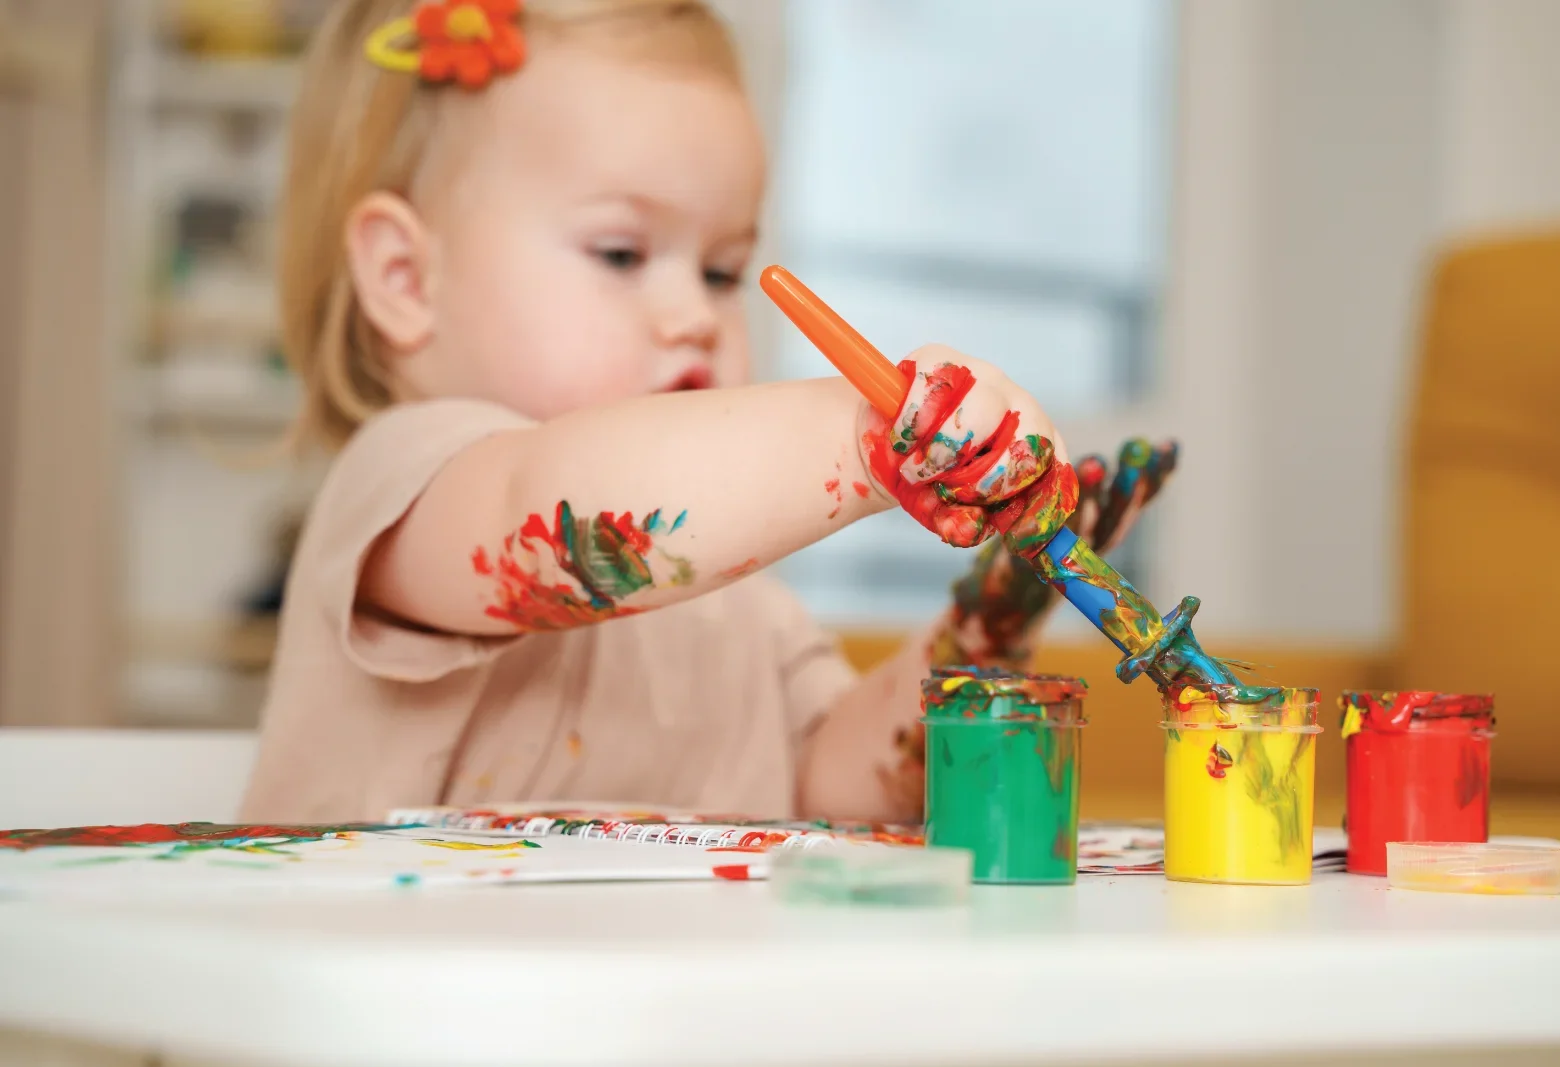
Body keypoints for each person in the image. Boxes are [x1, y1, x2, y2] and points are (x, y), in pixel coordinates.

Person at [239, 0, 1173, 824]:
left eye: (723, 270)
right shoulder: (408, 486)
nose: (696, 313)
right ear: (406, 279)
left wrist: (986, 629)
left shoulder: (746, 609)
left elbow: (847, 782)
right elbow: (547, 510)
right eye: (620, 252)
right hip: (416, 1020)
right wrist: (859, 438)